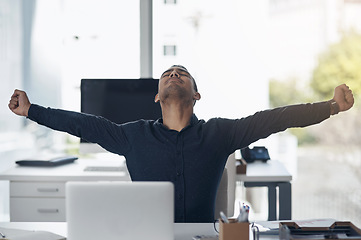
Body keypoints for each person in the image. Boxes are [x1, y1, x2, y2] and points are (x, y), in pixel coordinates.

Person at [8, 65, 354, 223]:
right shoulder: (132, 135)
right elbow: (81, 123)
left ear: (196, 94)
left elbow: (276, 118)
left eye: (182, 73)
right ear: (157, 96)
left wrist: (332, 106)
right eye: (167, 74)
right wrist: (31, 110)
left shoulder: (219, 134)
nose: (174, 74)